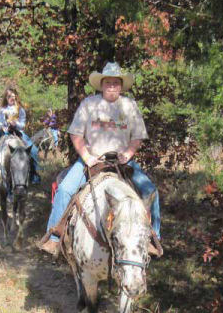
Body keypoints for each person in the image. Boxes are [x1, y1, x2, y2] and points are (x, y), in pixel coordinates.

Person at [37, 62, 161, 256]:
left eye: (115, 82)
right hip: (92, 160)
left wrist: (128, 153)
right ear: (102, 85)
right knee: (65, 189)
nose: (112, 85)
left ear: (121, 85)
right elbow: (75, 134)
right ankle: (54, 237)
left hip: (122, 161)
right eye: (108, 82)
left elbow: (137, 137)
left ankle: (153, 239)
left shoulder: (130, 106)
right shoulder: (89, 104)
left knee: (150, 191)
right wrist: (86, 156)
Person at [0, 87, 41, 184]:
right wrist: (2, 127)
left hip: (17, 132)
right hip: (3, 132)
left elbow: (22, 124)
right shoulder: (1, 109)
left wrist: (16, 124)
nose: (12, 98)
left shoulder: (20, 110)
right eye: (9, 96)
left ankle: (33, 173)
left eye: (13, 96)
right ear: (6, 97)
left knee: (33, 149)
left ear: (16, 97)